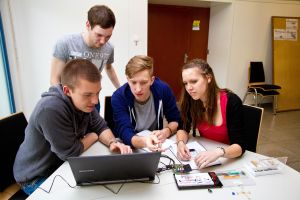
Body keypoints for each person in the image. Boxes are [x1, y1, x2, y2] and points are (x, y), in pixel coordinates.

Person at [13, 59, 132, 195]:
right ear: (67, 91)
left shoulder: (85, 102)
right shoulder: (50, 109)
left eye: (97, 92)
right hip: (35, 176)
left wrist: (112, 142)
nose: (95, 101)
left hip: (61, 167)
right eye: (87, 95)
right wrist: (93, 136)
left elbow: (100, 126)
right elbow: (70, 152)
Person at [176, 58, 246, 169]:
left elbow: (240, 146)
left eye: (194, 81)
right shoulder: (191, 100)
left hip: (228, 158)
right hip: (207, 154)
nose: (189, 88)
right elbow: (183, 127)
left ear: (208, 78)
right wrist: (180, 143)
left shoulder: (231, 101)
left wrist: (219, 152)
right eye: (185, 83)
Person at [111, 55, 181, 151]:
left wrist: (166, 131)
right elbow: (124, 131)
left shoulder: (163, 90)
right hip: (130, 147)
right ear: (127, 79)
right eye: (133, 82)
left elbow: (175, 120)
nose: (138, 89)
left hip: (155, 144)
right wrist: (145, 142)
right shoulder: (118, 97)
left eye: (143, 82)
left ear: (152, 80)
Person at [50, 5, 120, 89]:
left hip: (92, 97)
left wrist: (120, 90)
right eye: (99, 35)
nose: (103, 41)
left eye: (108, 36)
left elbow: (109, 68)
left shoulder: (109, 48)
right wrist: (63, 100)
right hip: (68, 98)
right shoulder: (65, 43)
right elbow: (54, 79)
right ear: (88, 25)